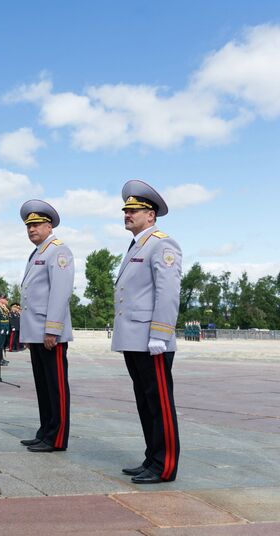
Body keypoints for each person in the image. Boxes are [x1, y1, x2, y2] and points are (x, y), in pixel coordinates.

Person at [112, 180, 182, 484]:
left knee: (159, 403)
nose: (127, 214)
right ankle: (151, 458)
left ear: (150, 214)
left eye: (134, 209)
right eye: (126, 209)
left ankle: (164, 465)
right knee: (145, 401)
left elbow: (168, 293)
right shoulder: (138, 244)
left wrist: (161, 334)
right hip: (134, 338)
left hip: (152, 340)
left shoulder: (162, 244)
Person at [18, 200, 74, 453]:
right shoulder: (38, 252)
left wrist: (52, 329)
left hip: (50, 333)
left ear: (49, 225)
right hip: (37, 332)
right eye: (29, 225)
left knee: (56, 386)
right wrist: (29, 333)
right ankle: (45, 432)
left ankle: (57, 437)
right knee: (43, 386)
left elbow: (60, 293)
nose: (31, 229)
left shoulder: (58, 251)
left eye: (37, 224)